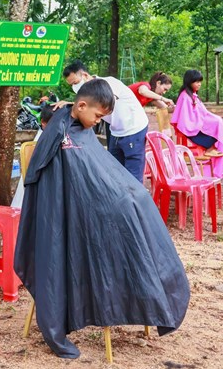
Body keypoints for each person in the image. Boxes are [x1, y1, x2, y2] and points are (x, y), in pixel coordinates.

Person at [14, 79, 190, 359]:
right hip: (81, 212)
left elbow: (95, 168)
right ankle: (140, 291)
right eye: (97, 117)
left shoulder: (78, 125)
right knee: (130, 221)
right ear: (82, 106)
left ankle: (156, 295)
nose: (97, 124)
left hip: (104, 200)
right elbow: (61, 189)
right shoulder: (60, 135)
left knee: (140, 208)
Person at [61, 60, 149, 182]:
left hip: (133, 129)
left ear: (85, 75)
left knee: (132, 174)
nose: (74, 87)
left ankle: (135, 199)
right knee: (114, 168)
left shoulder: (108, 83)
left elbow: (104, 103)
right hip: (115, 131)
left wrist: (72, 104)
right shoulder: (87, 94)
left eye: (75, 82)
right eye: (71, 85)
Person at [171, 69, 223, 169]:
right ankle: (210, 148)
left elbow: (201, 112)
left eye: (200, 82)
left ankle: (212, 147)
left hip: (196, 121)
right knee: (217, 123)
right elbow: (187, 118)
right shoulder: (185, 96)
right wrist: (203, 121)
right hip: (190, 126)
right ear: (189, 81)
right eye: (197, 82)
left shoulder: (191, 94)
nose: (199, 84)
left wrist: (208, 118)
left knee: (218, 121)